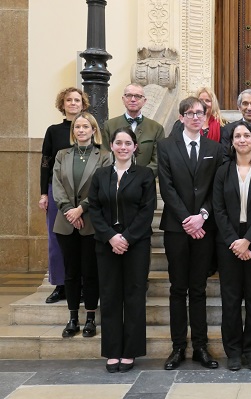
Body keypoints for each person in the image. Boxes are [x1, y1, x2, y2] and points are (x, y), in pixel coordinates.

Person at [159, 97, 223, 371]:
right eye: (191, 113)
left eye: (201, 112)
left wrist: (202, 217)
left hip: (204, 229)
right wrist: (187, 218)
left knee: (198, 289)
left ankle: (200, 347)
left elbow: (214, 189)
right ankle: (177, 348)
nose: (196, 117)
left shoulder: (215, 148)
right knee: (177, 289)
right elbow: (166, 186)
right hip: (176, 227)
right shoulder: (166, 146)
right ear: (181, 117)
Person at [88, 127, 156, 373]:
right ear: (112, 146)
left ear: (135, 147)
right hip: (106, 245)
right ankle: (113, 350)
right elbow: (94, 209)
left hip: (136, 244)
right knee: (109, 296)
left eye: (128, 143)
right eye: (119, 143)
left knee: (134, 295)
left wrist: (125, 237)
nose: (123, 147)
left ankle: (130, 351)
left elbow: (146, 211)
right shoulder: (100, 175)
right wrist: (111, 237)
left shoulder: (145, 175)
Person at [213, 121, 251, 371]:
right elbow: (218, 209)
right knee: (230, 300)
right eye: (237, 136)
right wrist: (234, 241)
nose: (241, 139)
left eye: (246, 135)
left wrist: (248, 240)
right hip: (228, 240)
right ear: (231, 142)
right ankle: (234, 352)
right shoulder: (222, 171)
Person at [52, 112, 111, 339]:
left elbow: (102, 186)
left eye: (86, 126)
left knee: (90, 272)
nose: (81, 130)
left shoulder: (104, 156)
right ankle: (73, 318)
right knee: (71, 273)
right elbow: (56, 185)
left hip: (91, 222)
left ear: (93, 130)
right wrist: (69, 210)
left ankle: (90, 318)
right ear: (73, 130)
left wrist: (81, 209)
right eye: (77, 127)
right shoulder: (62, 155)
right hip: (66, 223)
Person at [39, 87, 89, 304]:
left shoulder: (87, 128)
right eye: (69, 100)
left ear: (83, 104)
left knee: (82, 240)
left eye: (77, 100)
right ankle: (61, 285)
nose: (73, 103)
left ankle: (82, 284)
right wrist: (44, 193)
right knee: (57, 239)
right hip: (57, 191)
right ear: (63, 104)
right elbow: (45, 163)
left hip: (83, 195)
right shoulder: (54, 131)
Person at [102, 83, 165, 177]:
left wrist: (142, 177)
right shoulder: (109, 126)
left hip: (144, 183)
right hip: (115, 181)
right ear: (123, 99)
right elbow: (105, 156)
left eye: (138, 96)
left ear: (144, 101)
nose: (133, 99)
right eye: (129, 95)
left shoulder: (156, 128)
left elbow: (158, 159)